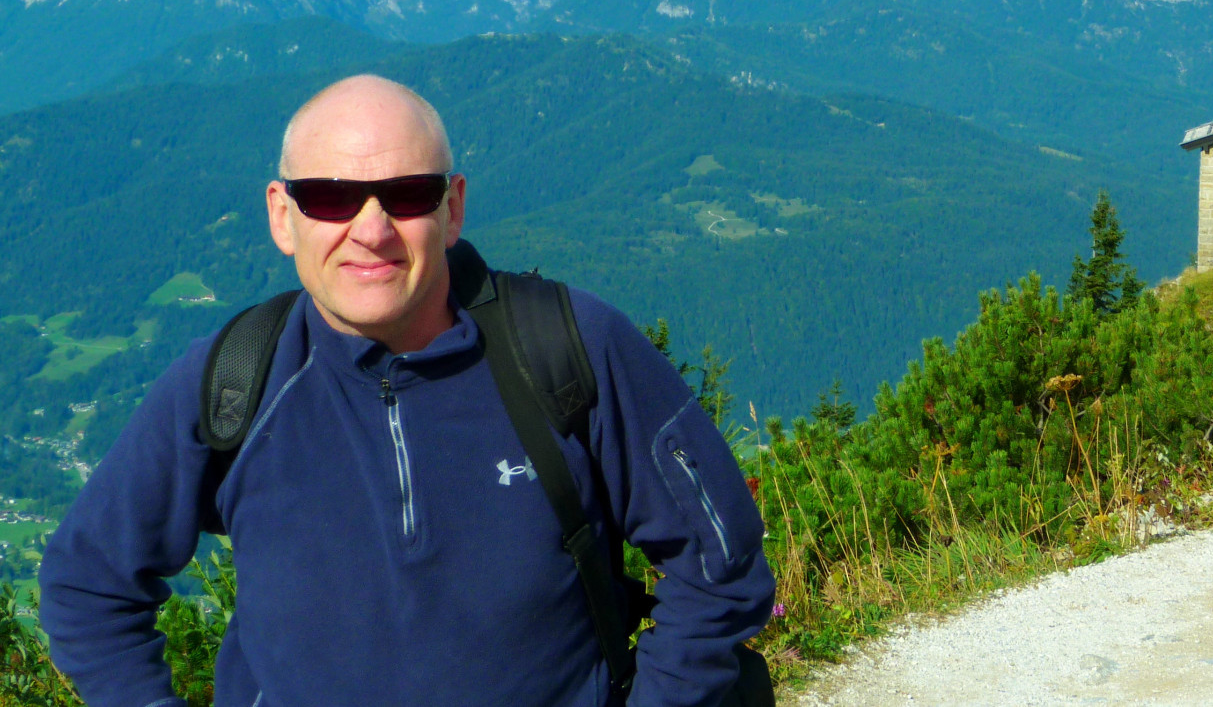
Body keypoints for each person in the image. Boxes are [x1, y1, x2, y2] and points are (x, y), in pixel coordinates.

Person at [40, 75, 775, 707]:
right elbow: (86, 582)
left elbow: (722, 565)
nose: (370, 229)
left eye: (407, 194)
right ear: (281, 214)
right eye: (330, 196)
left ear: (453, 208)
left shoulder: (566, 347)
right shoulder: (237, 380)